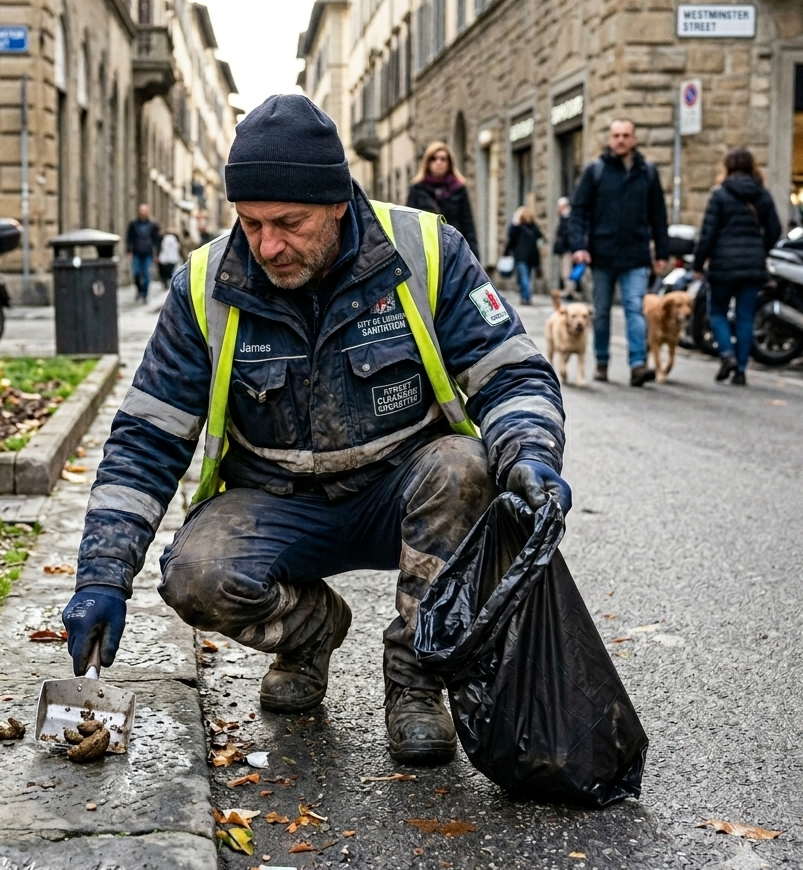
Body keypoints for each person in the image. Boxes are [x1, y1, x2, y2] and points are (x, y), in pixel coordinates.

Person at [62, 94, 570, 766]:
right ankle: (311, 633)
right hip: (277, 504)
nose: (268, 245)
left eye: (288, 223)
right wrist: (101, 575)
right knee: (194, 575)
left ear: (336, 203)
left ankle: (417, 678)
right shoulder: (204, 285)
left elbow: (510, 372)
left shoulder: (426, 252)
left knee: (467, 466)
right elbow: (147, 438)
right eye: (250, 223)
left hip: (402, 494)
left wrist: (530, 452)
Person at [569, 118, 669, 387]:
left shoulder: (647, 172)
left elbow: (658, 215)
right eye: (616, 135)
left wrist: (662, 251)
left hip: (636, 254)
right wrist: (579, 246)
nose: (621, 140)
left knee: (635, 308)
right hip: (601, 254)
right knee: (601, 312)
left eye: (626, 135)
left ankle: (638, 364)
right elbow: (578, 212)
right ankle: (602, 361)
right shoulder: (595, 171)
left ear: (634, 139)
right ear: (609, 139)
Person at [693, 147, 782, 386]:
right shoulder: (762, 195)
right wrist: (760, 248)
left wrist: (699, 263)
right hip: (753, 266)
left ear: (727, 167)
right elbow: (775, 230)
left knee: (717, 311)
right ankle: (741, 370)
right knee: (745, 317)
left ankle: (726, 354)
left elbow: (708, 233)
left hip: (722, 265)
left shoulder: (720, 194)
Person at [406, 142, 479, 261]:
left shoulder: (458, 189)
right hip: (425, 250)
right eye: (433, 159)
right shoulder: (417, 188)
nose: (438, 162)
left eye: (443, 159)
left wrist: (473, 256)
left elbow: (467, 224)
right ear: (427, 162)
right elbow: (409, 223)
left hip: (453, 249)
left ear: (449, 163)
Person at [504, 206, 543, 305]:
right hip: (531, 256)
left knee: (523, 277)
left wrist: (506, 253)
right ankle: (525, 296)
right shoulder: (534, 227)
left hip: (520, 256)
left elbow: (510, 239)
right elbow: (540, 238)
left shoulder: (517, 227)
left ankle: (525, 297)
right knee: (527, 277)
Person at [126, 204, 161, 303]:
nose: (143, 213)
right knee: (136, 273)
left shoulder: (153, 224)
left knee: (146, 274)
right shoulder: (133, 224)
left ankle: (144, 294)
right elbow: (129, 238)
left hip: (148, 253)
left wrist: (157, 254)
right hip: (136, 252)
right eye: (141, 210)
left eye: (145, 210)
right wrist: (128, 251)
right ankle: (139, 290)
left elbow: (156, 240)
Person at [552, 197, 582, 298]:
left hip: (568, 249)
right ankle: (569, 290)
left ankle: (570, 291)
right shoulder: (564, 217)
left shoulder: (568, 218)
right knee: (566, 271)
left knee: (567, 271)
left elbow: (567, 234)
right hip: (566, 249)